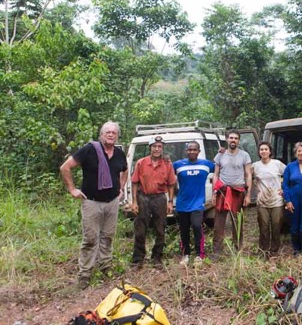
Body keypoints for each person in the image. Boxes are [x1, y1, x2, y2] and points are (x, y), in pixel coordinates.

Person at [60, 121, 128, 289]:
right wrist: (72, 189)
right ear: (101, 135)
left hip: (112, 202)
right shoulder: (89, 150)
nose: (111, 134)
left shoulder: (119, 153)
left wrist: (121, 188)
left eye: (114, 132)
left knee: (108, 236)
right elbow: (65, 167)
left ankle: (106, 267)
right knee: (90, 239)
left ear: (117, 135)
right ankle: (85, 274)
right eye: (107, 132)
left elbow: (125, 170)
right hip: (91, 202)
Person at [130, 135, 176, 269]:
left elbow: (171, 184)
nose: (157, 149)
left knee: (160, 228)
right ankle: (137, 259)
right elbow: (134, 183)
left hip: (160, 198)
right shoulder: (141, 162)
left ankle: (157, 257)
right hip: (143, 197)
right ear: (150, 148)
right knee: (140, 229)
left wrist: (170, 202)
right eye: (154, 146)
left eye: (159, 147)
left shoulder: (167, 164)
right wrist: (134, 202)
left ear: (162, 149)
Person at [173, 141, 215, 266]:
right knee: (183, 230)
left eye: (194, 149)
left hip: (198, 203)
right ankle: (185, 254)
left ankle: (199, 254)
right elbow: (167, 174)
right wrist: (175, 190)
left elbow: (220, 167)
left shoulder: (206, 164)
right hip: (182, 203)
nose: (192, 152)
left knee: (197, 226)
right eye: (189, 150)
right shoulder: (178, 165)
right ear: (186, 151)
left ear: (199, 151)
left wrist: (221, 154)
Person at [212, 130, 252, 257]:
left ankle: (237, 249)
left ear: (238, 141)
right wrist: (214, 192)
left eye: (236, 138)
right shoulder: (220, 155)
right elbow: (216, 174)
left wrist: (248, 194)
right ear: (227, 139)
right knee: (219, 223)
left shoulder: (244, 155)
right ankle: (217, 251)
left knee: (237, 222)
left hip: (237, 191)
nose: (233, 140)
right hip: (222, 191)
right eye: (231, 138)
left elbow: (248, 174)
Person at [252, 141, 286, 257]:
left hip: (277, 200)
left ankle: (274, 250)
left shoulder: (277, 164)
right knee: (263, 226)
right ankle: (263, 250)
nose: (264, 151)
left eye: (266, 149)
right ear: (259, 152)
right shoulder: (255, 166)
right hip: (262, 201)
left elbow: (289, 174)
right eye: (261, 149)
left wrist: (285, 189)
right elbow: (248, 177)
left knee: (276, 226)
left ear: (270, 151)